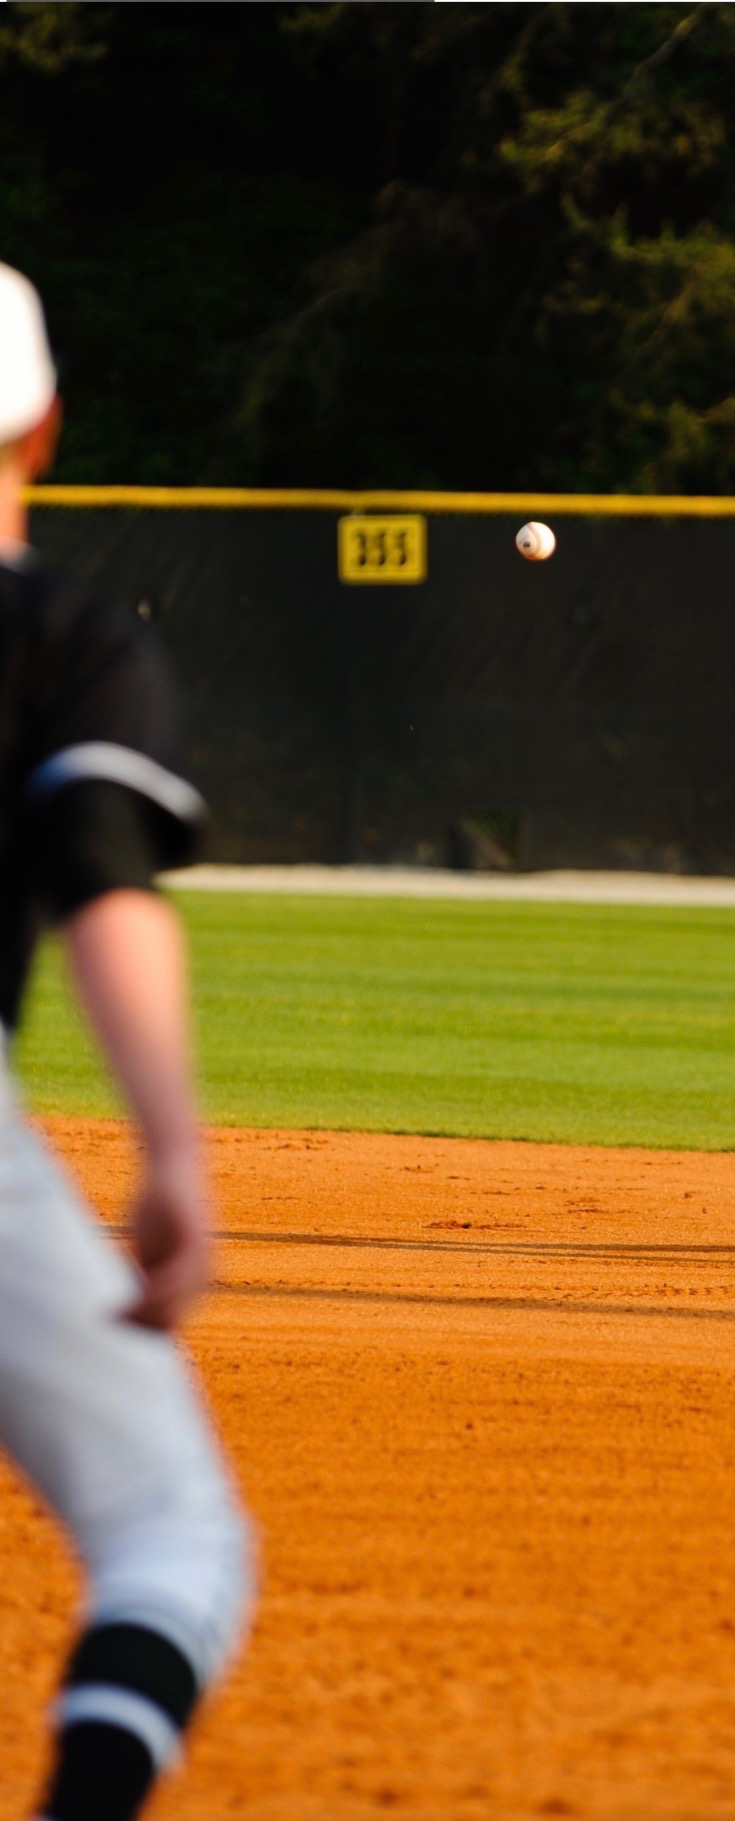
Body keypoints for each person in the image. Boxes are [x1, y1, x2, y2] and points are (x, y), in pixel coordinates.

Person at [0, 262, 253, 1820]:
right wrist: (168, 1151)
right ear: (42, 427)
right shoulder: (66, 639)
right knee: (172, 1537)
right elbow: (104, 879)